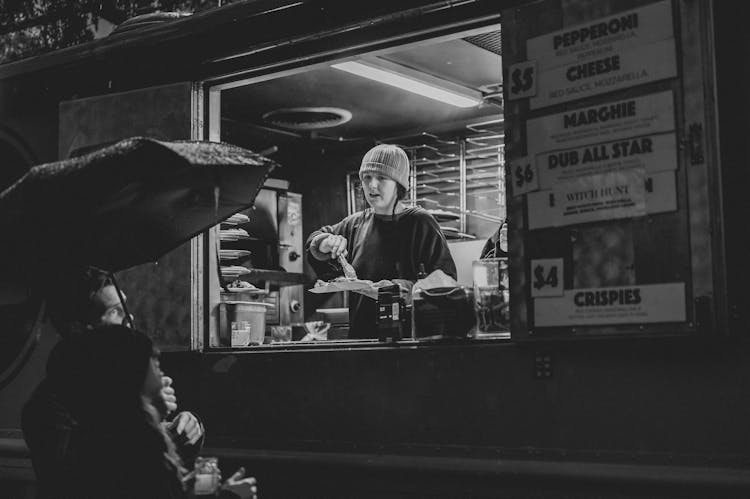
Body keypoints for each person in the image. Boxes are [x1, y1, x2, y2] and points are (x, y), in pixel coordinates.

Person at [22, 267, 204, 496]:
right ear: (79, 328)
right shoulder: (49, 406)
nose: (130, 318)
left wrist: (184, 427)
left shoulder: (129, 379)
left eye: (125, 306)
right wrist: (151, 418)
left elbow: (159, 477)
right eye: (116, 311)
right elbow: (90, 481)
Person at [41, 324, 256, 498]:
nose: (166, 378)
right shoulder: (131, 453)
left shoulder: (112, 439)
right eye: (155, 366)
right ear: (133, 383)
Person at [306, 143, 457, 339]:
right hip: (362, 341)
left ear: (399, 185)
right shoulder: (355, 224)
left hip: (410, 343)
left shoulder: (420, 222)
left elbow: (446, 283)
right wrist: (323, 242)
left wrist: (395, 289)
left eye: (382, 178)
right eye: (367, 178)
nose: (372, 185)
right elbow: (316, 245)